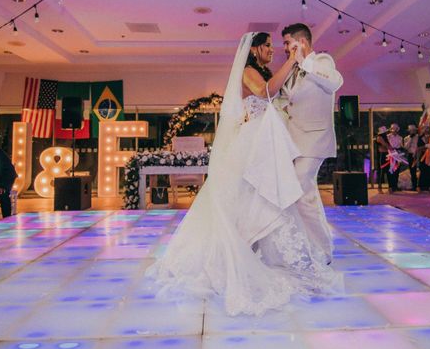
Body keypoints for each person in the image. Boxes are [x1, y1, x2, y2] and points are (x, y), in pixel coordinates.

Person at [146, 32, 341, 317]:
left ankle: (255, 245)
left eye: (278, 46)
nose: (273, 50)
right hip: (252, 141)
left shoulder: (266, 70)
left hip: (265, 139)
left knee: (262, 197)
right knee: (249, 194)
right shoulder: (249, 71)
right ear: (254, 50)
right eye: (268, 46)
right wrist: (290, 61)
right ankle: (236, 249)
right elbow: (264, 93)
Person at [279, 23, 344, 263]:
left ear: (301, 42)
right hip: (295, 141)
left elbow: (335, 81)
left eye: (288, 43)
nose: (285, 48)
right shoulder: (293, 70)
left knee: (298, 190)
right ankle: (315, 247)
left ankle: (322, 250)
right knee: (307, 194)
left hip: (314, 138)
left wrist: (304, 62)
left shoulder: (322, 61)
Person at [416, 125, 430, 192]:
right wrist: (425, 146)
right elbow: (418, 148)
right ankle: (421, 187)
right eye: (425, 129)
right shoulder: (420, 138)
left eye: (428, 129)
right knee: (423, 171)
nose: (427, 130)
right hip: (423, 157)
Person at [386, 123, 404, 192]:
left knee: (397, 171)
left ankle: (395, 186)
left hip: (398, 155)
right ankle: (390, 186)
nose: (394, 130)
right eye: (393, 129)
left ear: (397, 130)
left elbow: (401, 146)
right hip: (390, 155)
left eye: (395, 129)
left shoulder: (400, 137)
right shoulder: (388, 137)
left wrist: (400, 150)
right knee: (390, 171)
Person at [375, 126, 390, 193]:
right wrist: (390, 147)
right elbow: (385, 145)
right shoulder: (379, 138)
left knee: (388, 171)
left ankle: (390, 187)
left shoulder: (385, 138)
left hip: (387, 154)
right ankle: (379, 187)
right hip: (382, 155)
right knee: (382, 171)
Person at [404, 124, 419, 191]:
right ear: (409, 131)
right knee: (412, 171)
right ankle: (414, 186)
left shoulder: (418, 137)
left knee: (420, 170)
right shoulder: (406, 138)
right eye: (411, 130)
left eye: (414, 130)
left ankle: (420, 185)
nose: (412, 131)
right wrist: (410, 138)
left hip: (418, 155)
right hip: (410, 155)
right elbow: (406, 147)